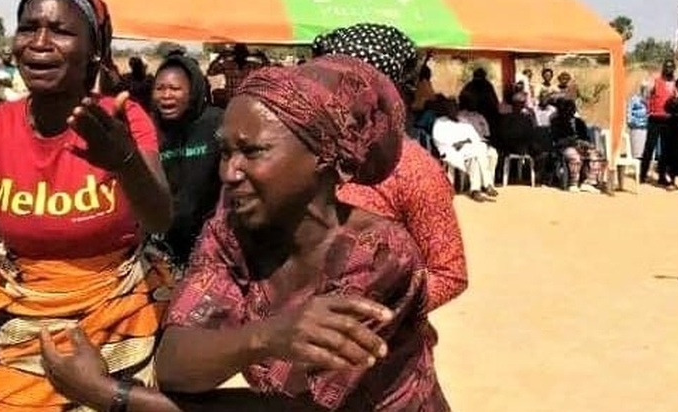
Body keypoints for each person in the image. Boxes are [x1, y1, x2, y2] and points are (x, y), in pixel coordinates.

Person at [39, 55, 451, 411]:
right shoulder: (233, 231)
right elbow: (175, 365)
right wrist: (263, 337)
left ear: (326, 158)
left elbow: (292, 410)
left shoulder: (379, 254)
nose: (228, 173)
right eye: (225, 152)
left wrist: (109, 394)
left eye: (252, 151)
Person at [0, 0, 174, 411]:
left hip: (122, 324)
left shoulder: (119, 121)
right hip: (22, 337)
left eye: (62, 31)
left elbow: (160, 217)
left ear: (93, 52)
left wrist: (123, 159)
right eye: (29, 27)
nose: (40, 42)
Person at [314, 23, 467, 313]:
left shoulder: (413, 169)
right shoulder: (301, 149)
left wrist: (379, 316)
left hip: (378, 348)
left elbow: (448, 273)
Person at [148, 50, 223, 267]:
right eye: (160, 88)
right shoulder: (149, 130)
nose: (166, 95)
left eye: (175, 88)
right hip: (165, 247)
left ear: (192, 92)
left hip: (212, 247)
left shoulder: (217, 123)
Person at [433, 97, 498, 202]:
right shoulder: (440, 123)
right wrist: (462, 143)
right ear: (446, 109)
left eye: (455, 107)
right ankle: (486, 184)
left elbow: (475, 138)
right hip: (452, 151)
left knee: (485, 152)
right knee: (478, 151)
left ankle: (476, 189)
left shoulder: (463, 121)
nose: (453, 109)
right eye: (450, 107)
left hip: (469, 149)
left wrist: (465, 142)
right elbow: (441, 142)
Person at [550, 99, 605, 193]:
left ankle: (589, 182)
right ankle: (573, 183)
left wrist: (585, 143)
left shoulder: (579, 122)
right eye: (568, 109)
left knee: (595, 155)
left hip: (580, 146)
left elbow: (586, 137)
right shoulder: (556, 122)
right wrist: (571, 141)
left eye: (572, 109)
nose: (571, 111)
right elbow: (556, 139)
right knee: (575, 157)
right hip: (564, 147)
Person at [639, 58, 677, 185]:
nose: (669, 69)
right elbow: (645, 96)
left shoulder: (676, 84)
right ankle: (642, 175)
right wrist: (649, 109)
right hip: (655, 118)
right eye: (667, 66)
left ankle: (661, 176)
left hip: (668, 120)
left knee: (665, 149)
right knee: (649, 147)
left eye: (671, 67)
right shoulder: (655, 81)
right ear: (663, 68)